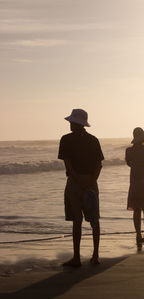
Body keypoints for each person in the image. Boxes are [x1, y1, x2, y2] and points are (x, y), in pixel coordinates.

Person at [58, 109, 104, 267]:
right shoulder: (93, 140)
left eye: (71, 122)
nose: (70, 124)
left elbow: (68, 164)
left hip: (74, 182)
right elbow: (99, 164)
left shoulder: (66, 139)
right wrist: (91, 181)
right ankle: (96, 255)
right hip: (91, 182)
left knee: (76, 221)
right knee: (94, 219)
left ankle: (77, 257)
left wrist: (79, 180)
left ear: (76, 123)